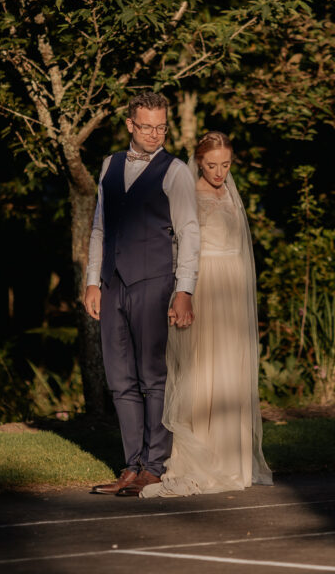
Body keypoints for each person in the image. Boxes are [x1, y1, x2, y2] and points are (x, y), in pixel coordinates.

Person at [140, 131, 273, 498]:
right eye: (212, 165)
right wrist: (184, 293)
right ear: (199, 162)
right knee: (201, 369)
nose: (219, 172)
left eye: (225, 165)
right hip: (205, 285)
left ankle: (232, 460)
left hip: (233, 290)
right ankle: (197, 456)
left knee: (231, 370)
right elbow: (182, 245)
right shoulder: (190, 195)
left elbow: (240, 248)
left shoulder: (231, 193)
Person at [83, 92, 200, 497]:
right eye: (146, 126)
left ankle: (155, 464)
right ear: (130, 125)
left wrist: (184, 290)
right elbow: (100, 226)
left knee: (153, 377)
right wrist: (92, 280)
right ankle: (131, 465)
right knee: (119, 380)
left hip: (155, 281)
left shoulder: (176, 171)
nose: (155, 134)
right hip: (112, 282)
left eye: (161, 126)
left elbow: (189, 233)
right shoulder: (109, 165)